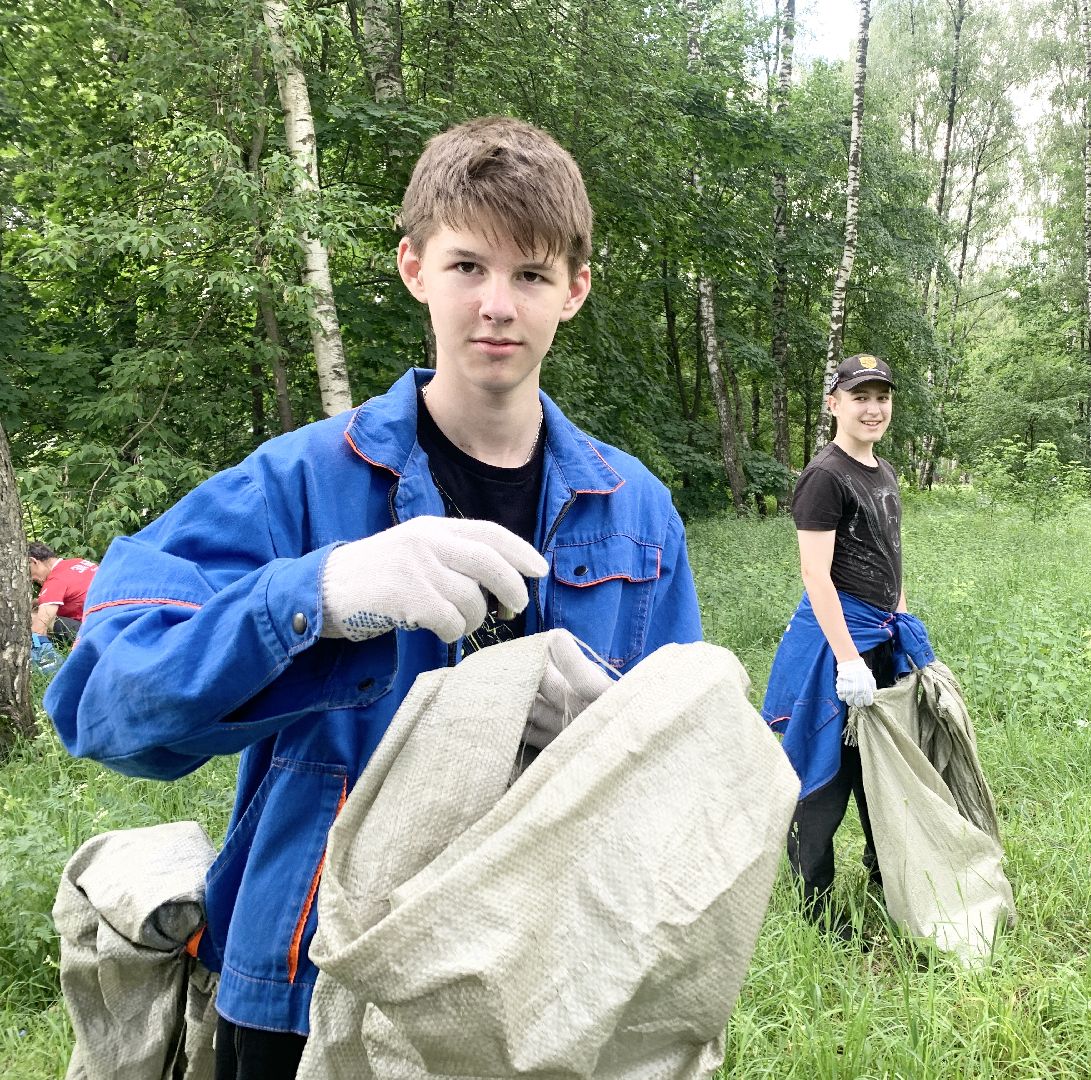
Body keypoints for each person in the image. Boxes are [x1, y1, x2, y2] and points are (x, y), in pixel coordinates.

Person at [46, 116, 703, 1079]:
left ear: (575, 290)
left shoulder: (637, 513)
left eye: (530, 275)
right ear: (413, 268)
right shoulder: (299, 484)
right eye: (467, 265)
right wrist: (314, 594)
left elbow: (685, 777)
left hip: (538, 982)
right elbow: (100, 704)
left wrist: (617, 731)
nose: (496, 305)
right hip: (308, 983)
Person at [760, 354, 930, 939]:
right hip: (836, 644)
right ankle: (816, 905)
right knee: (823, 768)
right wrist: (849, 658)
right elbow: (816, 576)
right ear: (834, 403)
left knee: (878, 764)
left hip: (878, 638)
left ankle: (888, 878)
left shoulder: (882, 472)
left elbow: (891, 557)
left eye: (882, 396)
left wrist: (901, 622)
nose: (873, 407)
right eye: (861, 396)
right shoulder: (824, 477)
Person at [28, 542, 99, 644]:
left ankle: (45, 657)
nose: (31, 579)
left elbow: (39, 627)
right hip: (109, 623)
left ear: (33, 561)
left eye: (29, 573)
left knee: (33, 618)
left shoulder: (55, 581)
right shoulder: (78, 562)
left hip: (90, 633)